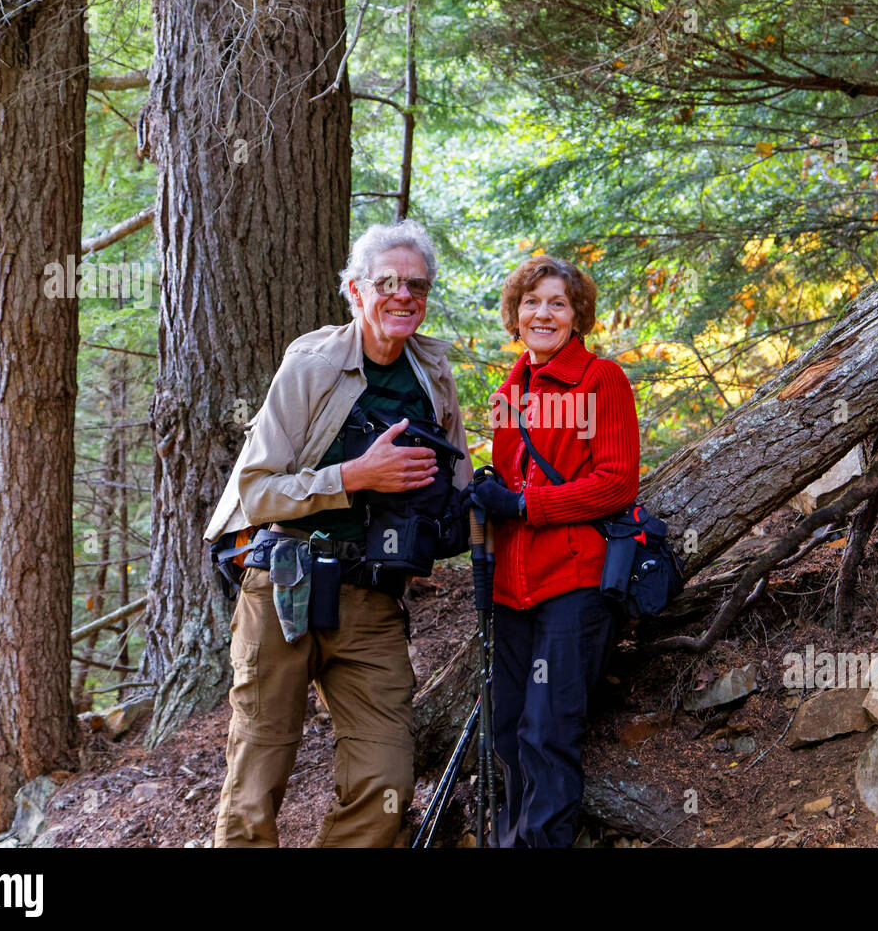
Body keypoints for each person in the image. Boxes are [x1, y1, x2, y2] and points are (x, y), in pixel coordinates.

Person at [204, 219, 471, 847]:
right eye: (388, 283)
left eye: (417, 286)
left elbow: (453, 491)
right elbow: (256, 491)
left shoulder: (433, 375)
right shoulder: (314, 364)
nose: (404, 296)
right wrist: (355, 476)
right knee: (256, 782)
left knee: (386, 783)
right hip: (284, 587)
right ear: (355, 291)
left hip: (374, 601)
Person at [464, 255, 640, 847]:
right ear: (516, 314)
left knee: (547, 731)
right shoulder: (507, 392)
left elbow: (617, 482)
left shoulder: (602, 380)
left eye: (557, 303)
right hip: (510, 588)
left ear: (576, 316)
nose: (543, 313)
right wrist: (490, 498)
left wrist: (524, 506)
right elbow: (511, 484)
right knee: (509, 730)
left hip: (574, 584)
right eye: (532, 302)